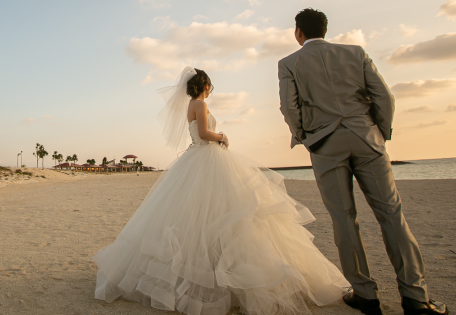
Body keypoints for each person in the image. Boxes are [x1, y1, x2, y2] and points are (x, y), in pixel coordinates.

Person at [94, 67, 349, 315]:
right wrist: (222, 136)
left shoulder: (190, 105)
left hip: (196, 158)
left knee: (198, 215)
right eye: (210, 86)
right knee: (227, 211)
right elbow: (204, 133)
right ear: (205, 85)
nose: (210, 90)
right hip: (207, 156)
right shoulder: (200, 104)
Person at [278, 8, 448, 315]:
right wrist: (379, 132)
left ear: (298, 32)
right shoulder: (356, 53)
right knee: (392, 214)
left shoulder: (289, 63)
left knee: (343, 218)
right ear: (325, 30)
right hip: (367, 137)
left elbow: (290, 108)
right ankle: (415, 296)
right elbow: (384, 96)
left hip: (324, 143)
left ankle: (365, 294)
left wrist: (307, 137)